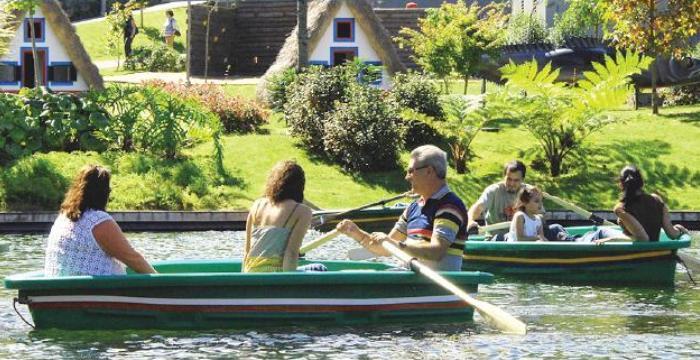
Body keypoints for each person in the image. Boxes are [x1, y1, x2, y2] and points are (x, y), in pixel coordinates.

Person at [336, 145, 468, 271]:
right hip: (409, 280)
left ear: (429, 171)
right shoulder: (413, 208)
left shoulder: (449, 207)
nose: (406, 177)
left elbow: (436, 252)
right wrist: (356, 233)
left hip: (434, 287)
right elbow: (385, 248)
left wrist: (397, 245)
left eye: (411, 171)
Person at [44, 165, 156, 276]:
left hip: (61, 289)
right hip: (95, 291)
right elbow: (132, 258)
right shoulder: (98, 221)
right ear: (104, 192)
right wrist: (159, 280)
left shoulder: (63, 218)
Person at [243, 160, 326, 272]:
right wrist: (287, 285)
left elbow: (247, 252)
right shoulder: (302, 211)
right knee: (319, 268)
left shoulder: (257, 205)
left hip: (251, 272)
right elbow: (291, 253)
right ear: (300, 186)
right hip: (276, 275)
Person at [578, 165, 689, 244]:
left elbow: (643, 238)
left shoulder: (621, 208)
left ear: (621, 184)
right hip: (651, 251)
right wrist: (679, 229)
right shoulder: (657, 200)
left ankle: (563, 236)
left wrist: (610, 240)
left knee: (600, 232)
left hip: (635, 250)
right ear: (642, 182)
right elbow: (672, 234)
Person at [467, 160, 565, 241]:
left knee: (556, 228)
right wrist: (470, 220)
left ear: (522, 179)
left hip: (526, 238)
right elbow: (479, 206)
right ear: (504, 176)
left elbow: (541, 214)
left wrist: (538, 218)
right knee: (505, 237)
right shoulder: (493, 191)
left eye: (516, 180)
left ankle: (575, 241)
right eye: (509, 179)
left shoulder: (529, 192)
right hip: (499, 238)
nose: (512, 183)